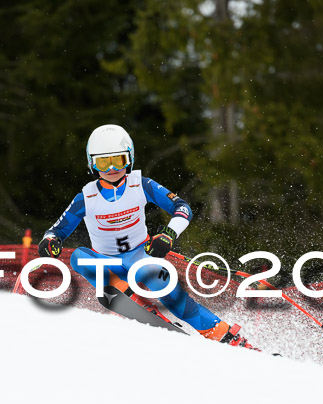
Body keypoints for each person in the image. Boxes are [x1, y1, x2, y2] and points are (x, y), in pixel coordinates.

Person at [38, 124, 249, 347]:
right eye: (103, 162)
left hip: (143, 257)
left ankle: (228, 337)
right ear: (92, 163)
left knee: (172, 296)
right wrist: (50, 240)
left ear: (129, 159)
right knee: (78, 257)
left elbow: (182, 207)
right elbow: (57, 230)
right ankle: (136, 304)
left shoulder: (141, 184)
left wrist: (169, 234)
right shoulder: (86, 197)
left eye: (118, 160)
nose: (111, 168)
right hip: (109, 264)